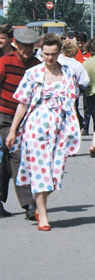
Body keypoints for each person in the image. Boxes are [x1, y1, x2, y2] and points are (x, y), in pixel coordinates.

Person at [5, 34, 83, 230]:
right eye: (46, 54)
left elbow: (72, 101)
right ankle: (44, 216)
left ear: (59, 53)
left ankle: (40, 204)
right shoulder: (33, 73)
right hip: (36, 126)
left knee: (54, 172)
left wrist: (73, 125)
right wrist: (13, 130)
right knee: (41, 172)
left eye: (53, 54)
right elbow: (22, 103)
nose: (49, 58)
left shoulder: (67, 73)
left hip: (59, 128)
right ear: (41, 53)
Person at [0, 27, 40, 218]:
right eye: (23, 47)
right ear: (16, 45)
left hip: (27, 119)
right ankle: (28, 204)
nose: (27, 51)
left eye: (30, 47)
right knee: (17, 154)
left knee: (7, 161)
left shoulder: (35, 65)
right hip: (4, 117)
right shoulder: (5, 63)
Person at [58, 38, 90, 141]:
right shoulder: (77, 65)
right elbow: (85, 82)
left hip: (57, 94)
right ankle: (70, 138)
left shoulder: (57, 61)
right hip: (71, 96)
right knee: (71, 116)